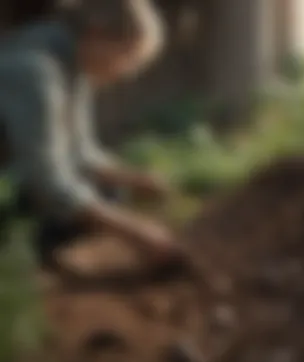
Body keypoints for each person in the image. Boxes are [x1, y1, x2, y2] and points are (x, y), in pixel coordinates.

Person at [0, 0, 182, 270]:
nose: (125, 74)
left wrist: (134, 178)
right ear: (97, 34)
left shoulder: (74, 64)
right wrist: (133, 231)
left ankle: (34, 261)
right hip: (17, 180)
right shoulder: (34, 72)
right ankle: (19, 265)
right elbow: (46, 181)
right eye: (127, 58)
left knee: (109, 190)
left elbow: (80, 153)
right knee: (81, 197)